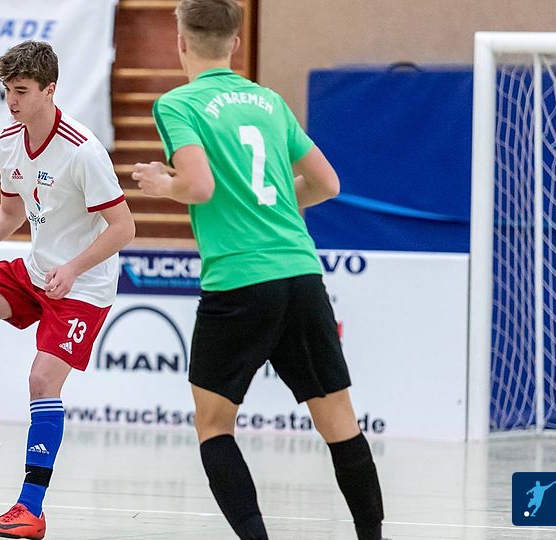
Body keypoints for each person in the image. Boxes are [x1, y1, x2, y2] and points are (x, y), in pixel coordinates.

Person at [131, 1, 385, 539]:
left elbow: (198, 186)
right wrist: (269, 205)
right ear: (236, 43)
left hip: (239, 281)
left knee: (214, 425)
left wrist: (163, 184)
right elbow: (327, 184)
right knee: (339, 421)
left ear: (181, 43)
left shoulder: (179, 103)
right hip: (301, 273)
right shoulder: (269, 101)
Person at [0, 40, 134, 540]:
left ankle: (30, 510)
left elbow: (124, 228)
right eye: (7, 90)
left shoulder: (82, 150)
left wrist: (74, 268)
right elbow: (10, 213)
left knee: (41, 381)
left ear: (49, 90)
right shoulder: (9, 139)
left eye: (21, 91)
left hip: (83, 286)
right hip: (37, 271)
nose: (11, 101)